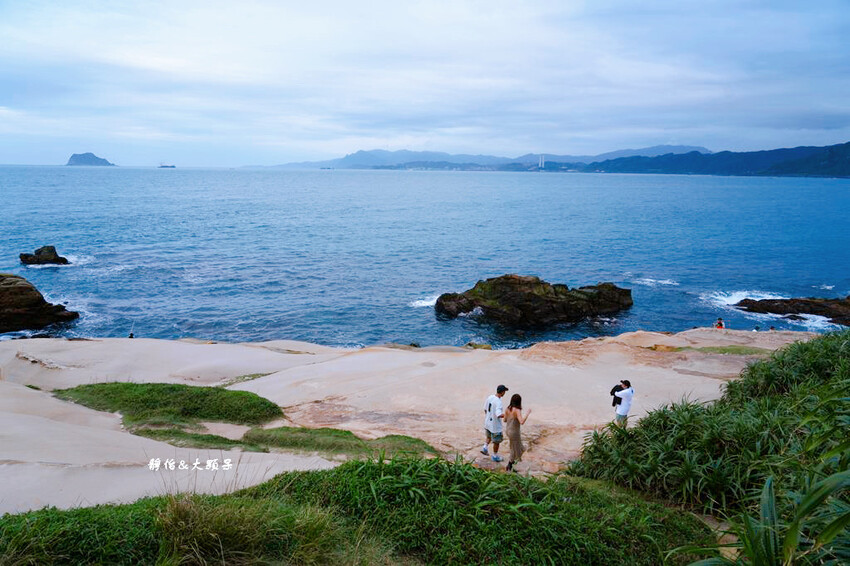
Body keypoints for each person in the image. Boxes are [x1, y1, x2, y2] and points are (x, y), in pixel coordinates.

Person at [504, 393, 531, 472]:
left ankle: (511, 465)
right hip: (514, 432)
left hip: (508, 431)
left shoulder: (507, 409)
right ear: (519, 401)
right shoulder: (517, 410)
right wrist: (527, 414)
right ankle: (509, 466)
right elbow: (521, 422)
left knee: (516, 448)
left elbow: (504, 420)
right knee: (517, 449)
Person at [481, 384, 508, 462]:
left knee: (488, 436)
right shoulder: (498, 402)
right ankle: (495, 455)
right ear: (502, 392)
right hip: (495, 426)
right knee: (496, 441)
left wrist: (488, 416)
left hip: (487, 423)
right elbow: (499, 414)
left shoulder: (490, 397)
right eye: (504, 391)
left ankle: (485, 447)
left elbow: (485, 409)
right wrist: (507, 415)